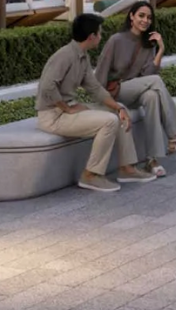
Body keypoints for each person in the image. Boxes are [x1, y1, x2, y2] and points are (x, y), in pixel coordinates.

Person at [34, 13, 154, 193]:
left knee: (117, 114)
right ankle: (90, 175)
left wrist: (118, 106)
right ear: (91, 37)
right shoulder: (64, 56)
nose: (101, 36)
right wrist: (66, 108)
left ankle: (127, 168)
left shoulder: (82, 56)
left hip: (67, 111)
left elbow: (95, 88)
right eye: (100, 33)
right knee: (109, 121)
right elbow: (47, 87)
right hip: (53, 117)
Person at [96, 0, 176, 175]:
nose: (145, 20)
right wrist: (104, 101)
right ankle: (174, 137)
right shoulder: (116, 40)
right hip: (115, 93)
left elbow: (148, 75)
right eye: (141, 16)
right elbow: (100, 73)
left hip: (135, 92)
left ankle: (152, 160)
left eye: (149, 18)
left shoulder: (147, 43)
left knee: (152, 96)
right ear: (131, 17)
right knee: (156, 82)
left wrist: (160, 49)